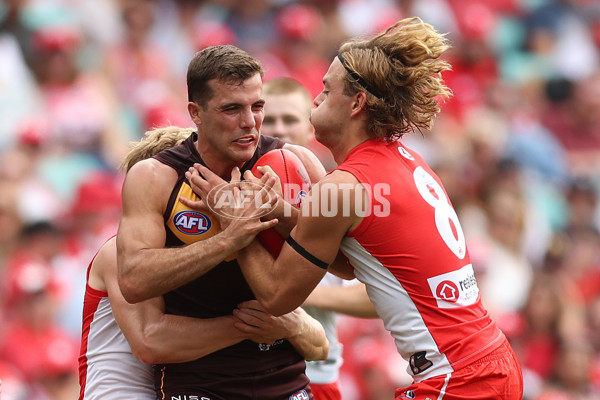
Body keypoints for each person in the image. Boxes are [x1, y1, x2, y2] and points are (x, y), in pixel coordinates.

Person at [187, 18, 524, 400]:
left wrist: (236, 222)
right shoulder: (406, 159)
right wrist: (281, 212)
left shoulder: (345, 186)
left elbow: (277, 297)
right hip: (486, 359)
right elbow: (352, 263)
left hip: (457, 377)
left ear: (357, 103)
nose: (316, 97)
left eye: (327, 91)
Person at [116, 45, 327, 399]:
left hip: (287, 381)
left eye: (257, 106)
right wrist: (228, 238)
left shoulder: (297, 162)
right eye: (231, 109)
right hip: (199, 384)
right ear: (195, 113)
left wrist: (278, 211)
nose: (250, 122)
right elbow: (134, 280)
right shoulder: (155, 177)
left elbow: (348, 263)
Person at [80, 126, 328, 399]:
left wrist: (291, 326)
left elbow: (318, 344)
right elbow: (149, 341)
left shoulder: (200, 253)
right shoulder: (119, 253)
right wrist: (254, 326)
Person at [262, 77, 378, 400]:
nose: (280, 129)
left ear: (310, 127)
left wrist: (289, 296)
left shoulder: (336, 197)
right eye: (269, 120)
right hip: (249, 376)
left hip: (316, 374)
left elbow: (379, 295)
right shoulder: (237, 194)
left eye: (290, 119)